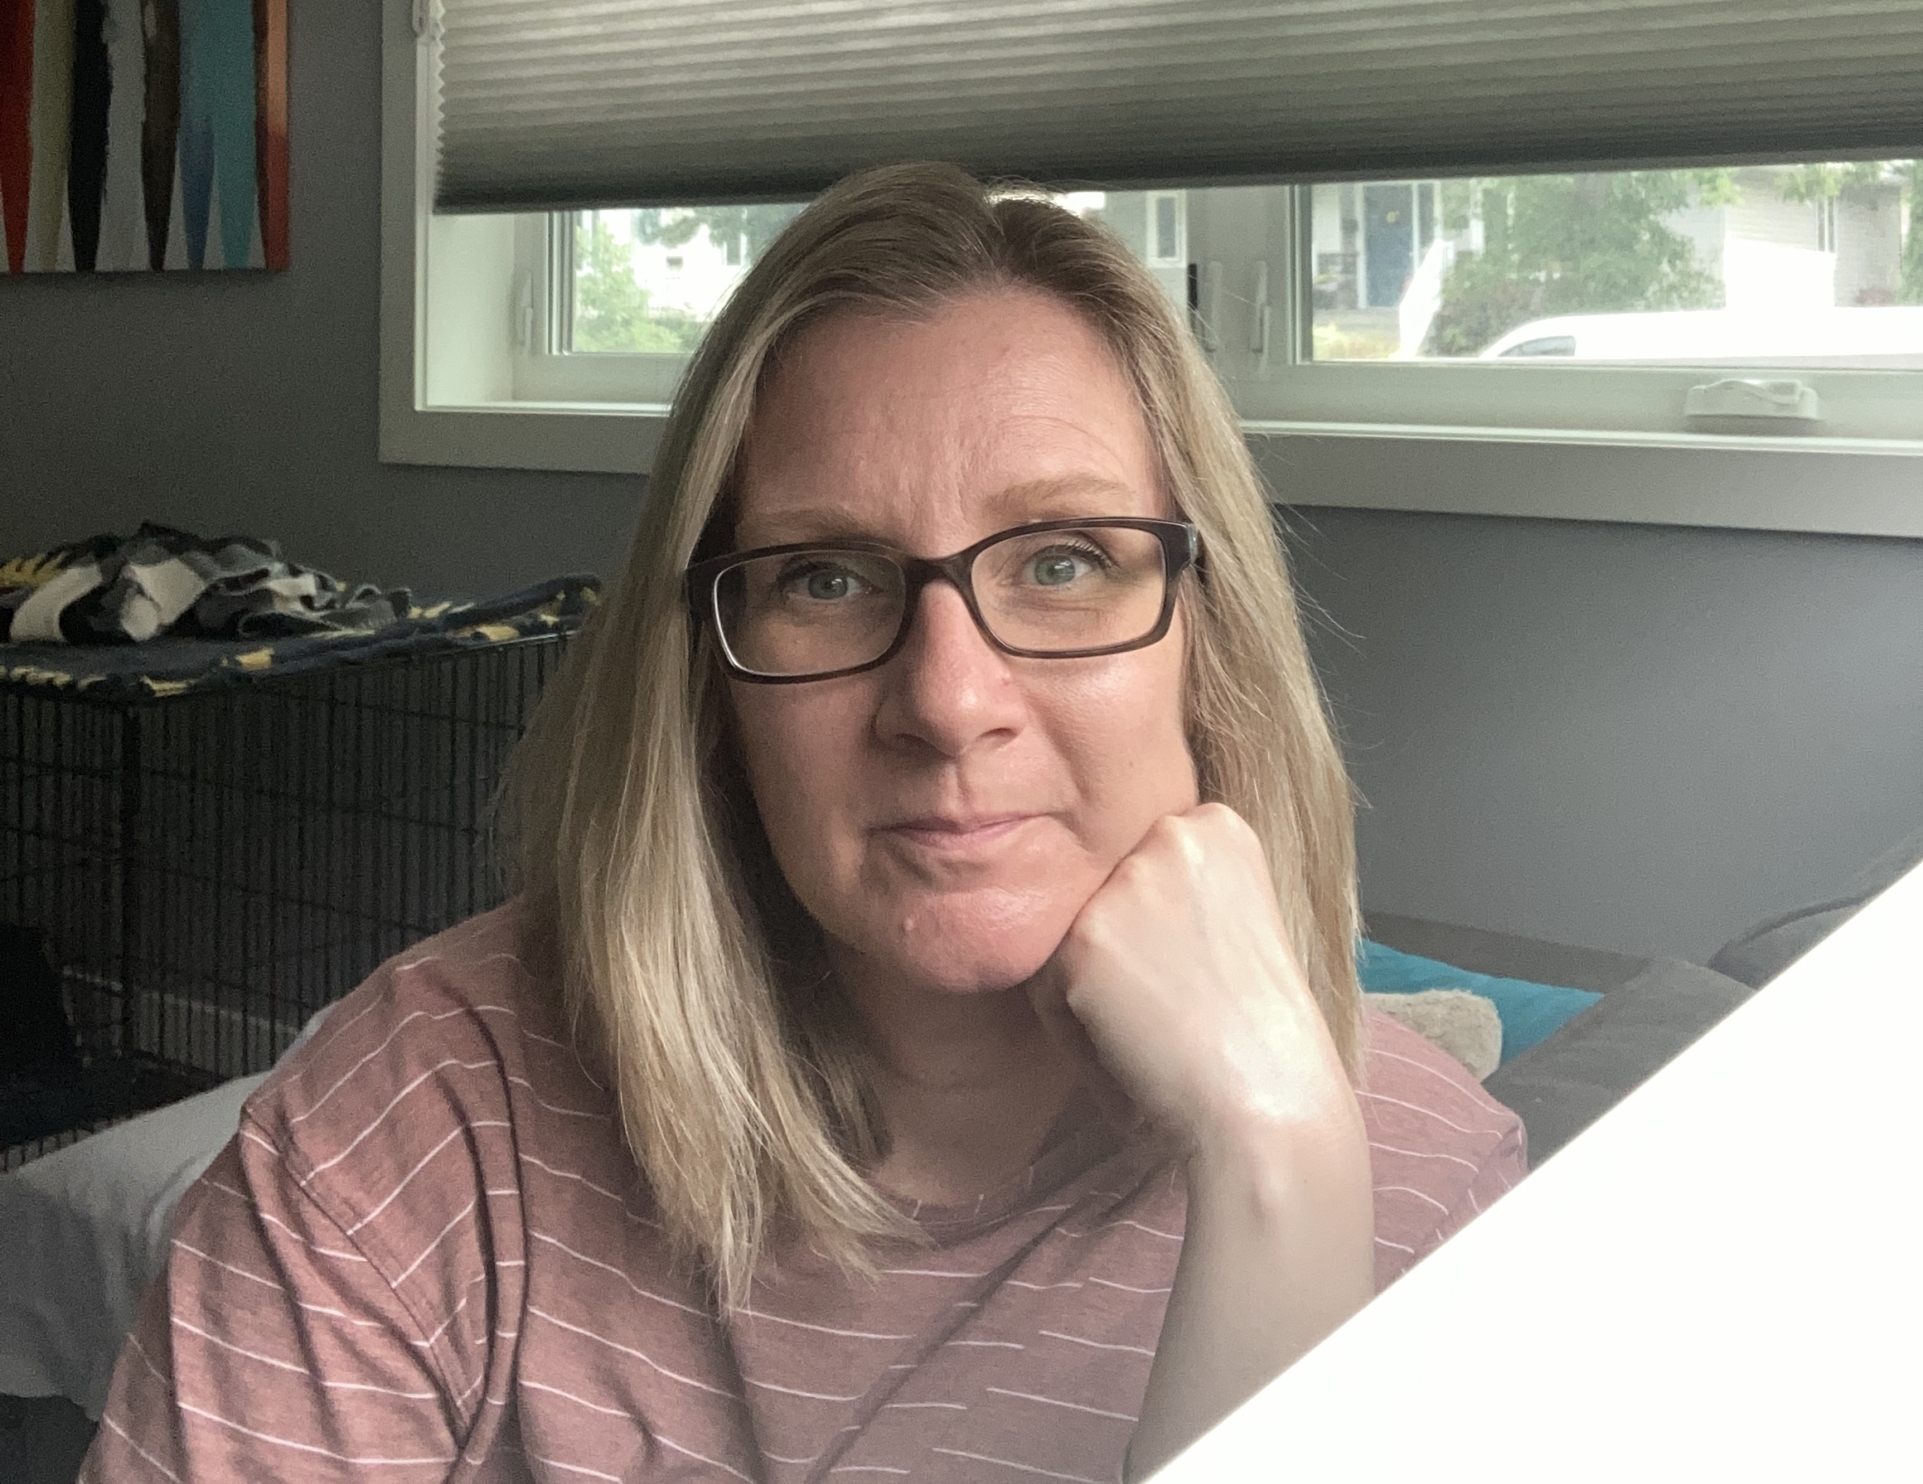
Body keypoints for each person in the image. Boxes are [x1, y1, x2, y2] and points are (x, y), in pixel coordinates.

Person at [81, 163, 1524, 1483]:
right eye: (826, 579)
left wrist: (1279, 1175)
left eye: (1065, 562)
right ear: (710, 679)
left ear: (1207, 639)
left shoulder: (1424, 1182)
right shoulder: (420, 1120)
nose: (948, 703)